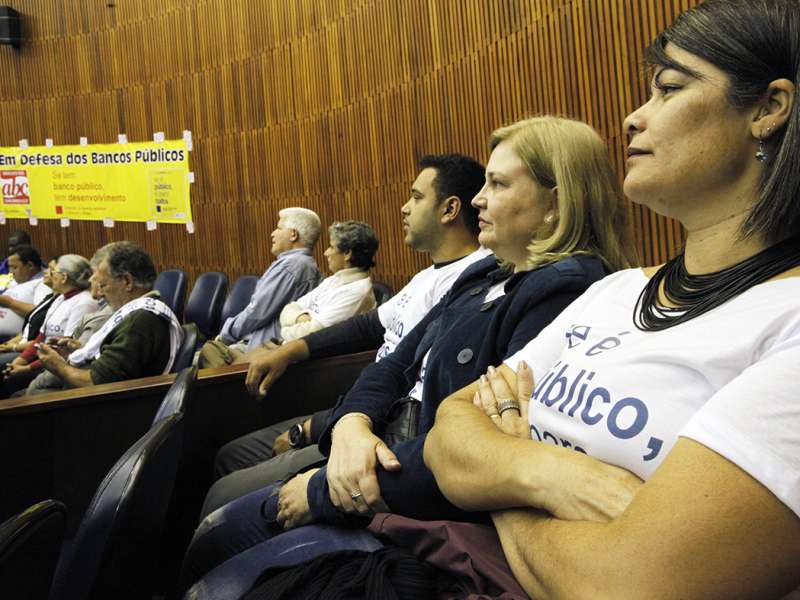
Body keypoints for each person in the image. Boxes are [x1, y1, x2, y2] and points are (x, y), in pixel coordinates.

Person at [424, 2, 800, 598]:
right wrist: (551, 475)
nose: (632, 117)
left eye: (669, 88)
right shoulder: (615, 290)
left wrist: (504, 480)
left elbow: (624, 583)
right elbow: (448, 430)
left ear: (768, 109)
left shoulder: (790, 324)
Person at [179, 115, 636, 590]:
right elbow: (397, 362)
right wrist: (353, 425)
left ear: (554, 203)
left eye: (497, 184)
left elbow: (481, 450)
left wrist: (321, 491)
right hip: (378, 449)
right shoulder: (485, 274)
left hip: (421, 496)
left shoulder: (566, 290)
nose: (479, 199)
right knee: (215, 532)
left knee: (220, 555)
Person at [205, 153, 490, 515]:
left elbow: (410, 382)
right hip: (355, 408)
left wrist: (313, 427)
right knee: (229, 454)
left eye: (416, 197)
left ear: (449, 210)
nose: (404, 208)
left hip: (382, 427)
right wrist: (291, 350)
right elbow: (370, 326)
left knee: (223, 492)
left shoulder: (472, 278)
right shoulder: (427, 276)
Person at [36, 242, 183, 388]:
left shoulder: (138, 322)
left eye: (103, 285)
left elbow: (96, 383)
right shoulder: (140, 311)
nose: (99, 294)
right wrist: (81, 350)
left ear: (127, 282)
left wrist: (58, 366)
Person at [198, 207, 323, 367]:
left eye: (278, 228)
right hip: (265, 347)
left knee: (204, 357)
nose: (273, 233)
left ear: (293, 234)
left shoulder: (291, 267)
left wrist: (225, 334)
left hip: (263, 352)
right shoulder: (304, 264)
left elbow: (257, 313)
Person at [1, 254, 98, 397]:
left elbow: (65, 350)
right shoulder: (59, 299)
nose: (50, 275)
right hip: (42, 359)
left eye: (54, 272)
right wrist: (18, 362)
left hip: (57, 364)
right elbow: (40, 339)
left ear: (64, 277)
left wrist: (26, 368)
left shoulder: (84, 302)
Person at [278, 221, 378, 342]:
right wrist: (301, 317)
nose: (326, 253)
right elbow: (289, 308)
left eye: (331, 247)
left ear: (347, 253)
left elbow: (310, 336)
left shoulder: (359, 293)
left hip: (317, 359)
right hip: (289, 350)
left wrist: (285, 330)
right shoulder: (334, 280)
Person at [0, 245, 50, 341]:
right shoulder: (15, 281)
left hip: (14, 340)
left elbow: (40, 313)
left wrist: (9, 303)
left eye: (14, 267)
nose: (11, 272)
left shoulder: (42, 283)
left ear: (30, 266)